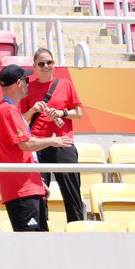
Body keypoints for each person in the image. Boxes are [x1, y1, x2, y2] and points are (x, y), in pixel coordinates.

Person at [0, 63, 74, 232]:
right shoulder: (7, 111)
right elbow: (25, 144)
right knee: (31, 246)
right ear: (18, 83)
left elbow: (23, 145)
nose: (29, 83)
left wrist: (37, 180)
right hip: (21, 189)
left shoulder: (9, 111)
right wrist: (52, 141)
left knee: (38, 245)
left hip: (27, 187)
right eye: (26, 79)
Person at [19, 47, 85, 222]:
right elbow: (21, 120)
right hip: (38, 144)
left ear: (54, 64)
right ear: (34, 66)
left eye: (50, 62)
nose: (46, 66)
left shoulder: (65, 84)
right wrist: (33, 109)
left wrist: (61, 113)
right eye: (41, 63)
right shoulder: (28, 88)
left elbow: (78, 113)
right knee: (39, 193)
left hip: (63, 143)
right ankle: (42, 231)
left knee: (72, 193)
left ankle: (77, 228)